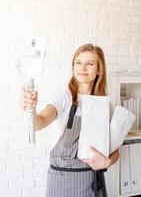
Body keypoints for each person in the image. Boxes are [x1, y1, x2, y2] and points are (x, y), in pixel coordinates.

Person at [20, 44, 119, 197]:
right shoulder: (64, 98)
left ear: (99, 70)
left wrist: (107, 163)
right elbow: (39, 123)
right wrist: (30, 109)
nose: (82, 68)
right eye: (78, 63)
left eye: (90, 64)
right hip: (62, 182)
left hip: (94, 182)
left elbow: (115, 150)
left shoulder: (105, 106)